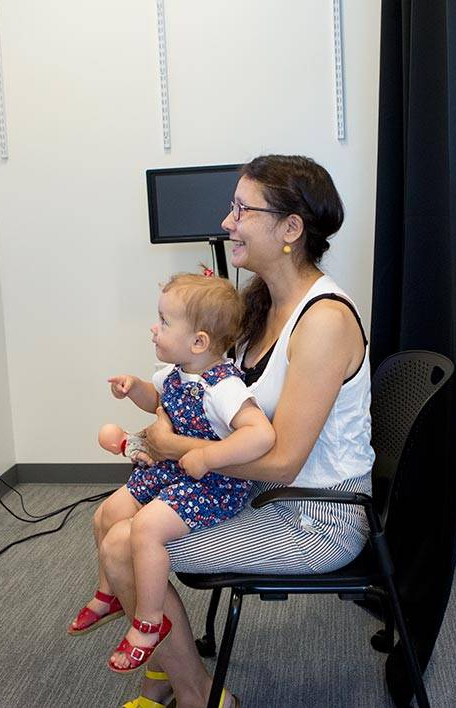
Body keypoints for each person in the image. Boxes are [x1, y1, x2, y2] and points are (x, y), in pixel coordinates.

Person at [98, 155, 372, 708]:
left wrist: (173, 447)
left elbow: (281, 463)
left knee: (127, 545)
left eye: (242, 209)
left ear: (290, 229)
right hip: (256, 490)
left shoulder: (323, 321)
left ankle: (197, 695)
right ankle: (167, 677)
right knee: (114, 516)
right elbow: (207, 399)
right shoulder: (260, 305)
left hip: (317, 513)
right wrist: (158, 434)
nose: (227, 222)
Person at [68, 273, 275, 677]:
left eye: (163, 322)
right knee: (108, 513)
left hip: (213, 483)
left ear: (199, 341)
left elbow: (261, 435)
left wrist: (211, 456)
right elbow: (155, 399)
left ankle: (148, 623)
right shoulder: (176, 371)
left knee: (145, 528)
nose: (153, 328)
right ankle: (109, 593)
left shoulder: (225, 387)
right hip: (175, 470)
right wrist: (134, 388)